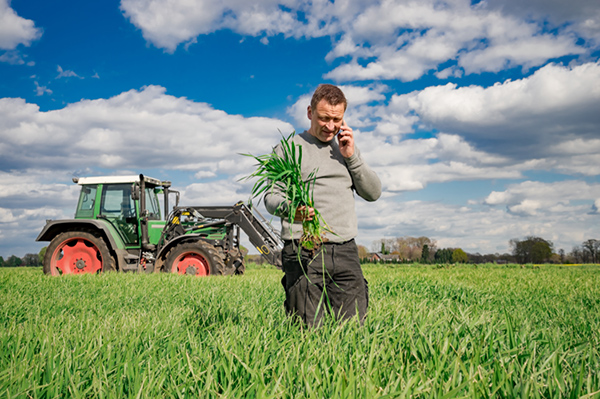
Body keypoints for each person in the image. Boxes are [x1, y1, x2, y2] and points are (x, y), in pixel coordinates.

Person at [264, 84, 381, 327]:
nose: (330, 126)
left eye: (336, 119)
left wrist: (352, 156)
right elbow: (271, 198)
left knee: (353, 330)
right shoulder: (288, 149)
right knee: (307, 332)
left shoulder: (346, 150)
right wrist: (293, 211)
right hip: (304, 249)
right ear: (309, 113)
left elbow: (373, 193)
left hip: (346, 250)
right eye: (324, 118)